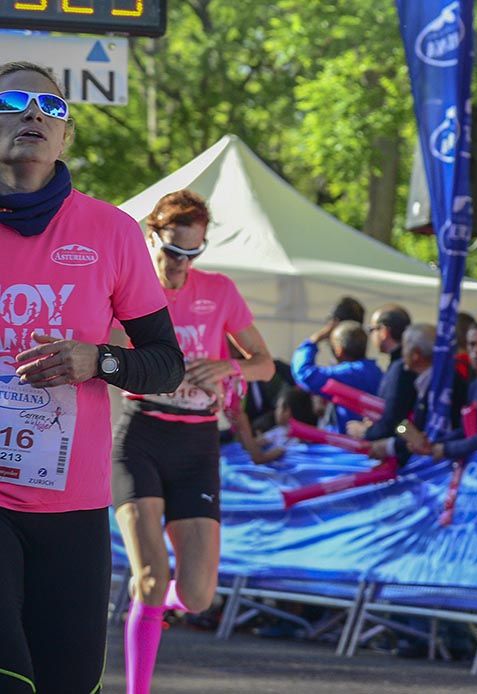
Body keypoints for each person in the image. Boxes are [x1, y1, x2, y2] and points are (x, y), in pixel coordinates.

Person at [0, 62, 183, 694]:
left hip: (72, 507)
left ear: (67, 138)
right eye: (14, 100)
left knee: (67, 682)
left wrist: (98, 359)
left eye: (50, 109)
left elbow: (166, 362)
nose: (33, 115)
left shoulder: (111, 231)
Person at [111, 189, 275, 694]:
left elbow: (264, 364)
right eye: (173, 251)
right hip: (142, 434)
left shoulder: (219, 290)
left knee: (200, 595)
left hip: (199, 443)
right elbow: (107, 360)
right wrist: (157, 367)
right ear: (152, 237)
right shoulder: (128, 289)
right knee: (152, 577)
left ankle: (154, 606)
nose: (181, 264)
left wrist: (228, 365)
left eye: (193, 253)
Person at [410, 323, 477, 461]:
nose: (476, 350)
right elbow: (466, 430)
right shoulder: (474, 386)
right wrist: (435, 443)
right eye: (472, 344)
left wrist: (446, 449)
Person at [367, 323, 467, 462]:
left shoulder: (443, 386)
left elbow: (428, 438)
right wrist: (403, 431)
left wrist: (390, 445)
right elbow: (402, 426)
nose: (403, 353)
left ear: (416, 354)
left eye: (405, 347)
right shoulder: (424, 382)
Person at [291, 319, 382, 432]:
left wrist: (313, 340)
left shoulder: (347, 373)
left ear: (339, 350)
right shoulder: (376, 371)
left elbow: (304, 374)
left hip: (352, 442)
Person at [348, 305, 417, 441]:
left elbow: (397, 421)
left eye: (371, 329)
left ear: (384, 331)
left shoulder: (401, 368)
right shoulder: (400, 365)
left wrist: (367, 432)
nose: (370, 335)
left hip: (403, 451)